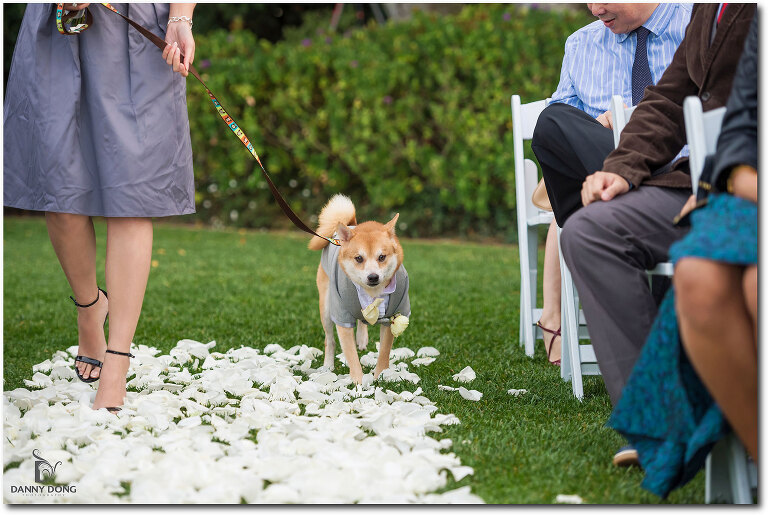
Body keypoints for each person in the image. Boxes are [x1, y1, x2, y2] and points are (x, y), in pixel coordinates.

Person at [531, 3, 755, 466]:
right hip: (671, 180)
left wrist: (722, 178)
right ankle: (659, 423)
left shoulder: (705, 12)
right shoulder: (709, 13)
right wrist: (621, 169)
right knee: (586, 230)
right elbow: (669, 102)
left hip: (728, 180)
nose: (595, 7)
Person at [4, 3, 197, 411]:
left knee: (132, 198)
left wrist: (181, 17)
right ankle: (90, 307)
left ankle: (117, 360)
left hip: (140, 31)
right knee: (60, 196)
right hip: (56, 33)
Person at [608, 15, 757, 497]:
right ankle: (728, 437)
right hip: (735, 179)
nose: (593, 8)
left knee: (756, 283)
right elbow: (742, 111)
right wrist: (728, 176)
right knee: (696, 276)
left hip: (716, 180)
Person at [533, 2, 691, 365]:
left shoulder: (698, 23)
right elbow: (559, 149)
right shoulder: (580, 45)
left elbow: (713, 108)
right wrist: (596, 131)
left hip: (684, 171)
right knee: (555, 121)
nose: (594, 8)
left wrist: (629, 121)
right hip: (605, 178)